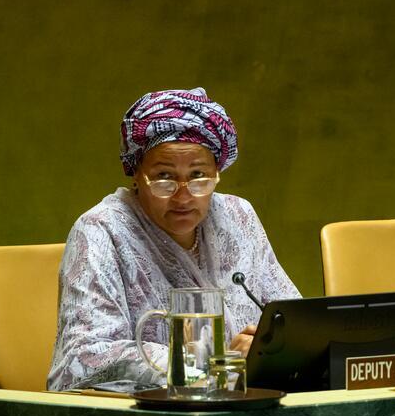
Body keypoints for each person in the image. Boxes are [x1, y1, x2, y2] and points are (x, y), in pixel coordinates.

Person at [48, 88, 300, 391]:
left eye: (198, 176)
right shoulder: (102, 230)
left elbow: (294, 320)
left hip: (249, 399)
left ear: (217, 172)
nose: (183, 196)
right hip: (148, 410)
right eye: (164, 177)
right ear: (136, 173)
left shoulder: (237, 215)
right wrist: (209, 365)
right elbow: (87, 355)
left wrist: (264, 348)